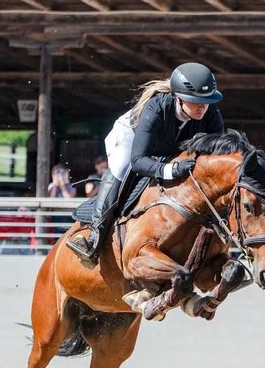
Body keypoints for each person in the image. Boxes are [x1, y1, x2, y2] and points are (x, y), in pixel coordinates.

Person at [67, 62, 223, 265]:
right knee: (122, 168)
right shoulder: (156, 108)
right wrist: (172, 169)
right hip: (133, 138)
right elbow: (139, 161)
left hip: (170, 145)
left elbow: (218, 155)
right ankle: (94, 235)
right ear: (178, 97)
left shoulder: (209, 113)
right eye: (195, 101)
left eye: (207, 100)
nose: (203, 106)